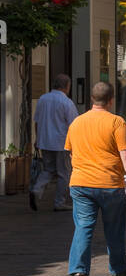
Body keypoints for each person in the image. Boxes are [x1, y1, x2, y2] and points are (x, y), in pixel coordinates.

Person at [65, 82, 126, 276]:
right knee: (114, 228)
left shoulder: (77, 123)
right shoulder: (116, 122)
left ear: (91, 99)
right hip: (110, 183)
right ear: (111, 100)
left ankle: (79, 272)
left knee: (83, 227)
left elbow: (71, 152)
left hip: (81, 183)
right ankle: (118, 267)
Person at [31, 73, 78, 212]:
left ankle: (36, 189)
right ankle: (59, 202)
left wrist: (37, 138)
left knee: (48, 169)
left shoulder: (43, 99)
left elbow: (37, 121)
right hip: (61, 143)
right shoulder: (67, 102)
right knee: (64, 173)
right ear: (67, 86)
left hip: (45, 141)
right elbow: (74, 125)